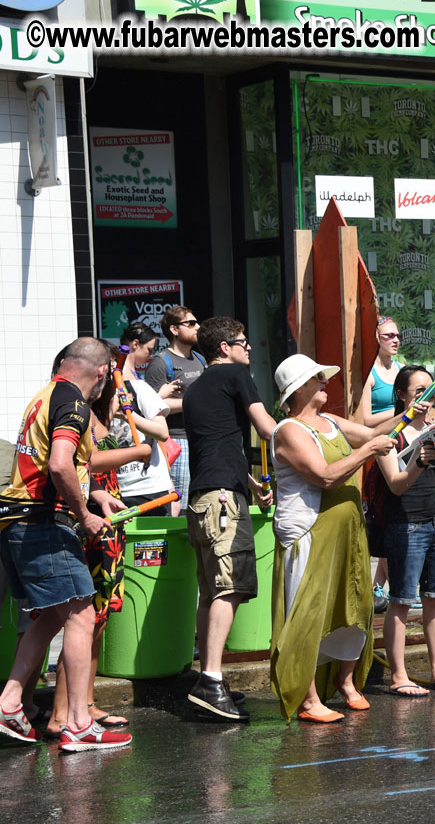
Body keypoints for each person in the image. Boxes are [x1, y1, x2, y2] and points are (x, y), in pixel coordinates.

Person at [0, 338, 132, 751]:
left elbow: (50, 464)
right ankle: (78, 723)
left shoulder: (45, 395)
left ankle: (8, 704)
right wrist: (85, 515)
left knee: (52, 617)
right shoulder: (74, 403)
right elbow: (59, 464)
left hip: (17, 522)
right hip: (43, 525)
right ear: (101, 373)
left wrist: (94, 495)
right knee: (82, 614)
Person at [270, 354, 395, 722]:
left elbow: (374, 434)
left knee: (354, 605)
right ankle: (308, 700)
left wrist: (410, 412)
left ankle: (345, 682)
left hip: (347, 529)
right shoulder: (290, 430)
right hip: (308, 530)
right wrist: (368, 451)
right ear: (298, 388)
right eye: (317, 378)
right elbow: (324, 476)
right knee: (308, 612)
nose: (325, 382)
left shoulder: (329, 421)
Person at [46, 359, 153, 738]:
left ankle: (86, 702)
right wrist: (133, 453)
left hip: (109, 520)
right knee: (83, 621)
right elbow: (87, 463)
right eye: (110, 374)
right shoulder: (78, 413)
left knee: (100, 617)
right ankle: (61, 712)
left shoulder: (101, 414)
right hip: (89, 519)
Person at [182, 317, 276, 722]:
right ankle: (212, 681)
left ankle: (208, 678)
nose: (249, 348)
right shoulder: (236, 374)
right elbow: (267, 428)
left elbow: (218, 445)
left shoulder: (197, 387)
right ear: (225, 348)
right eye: (243, 342)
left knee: (211, 591)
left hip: (204, 498)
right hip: (222, 501)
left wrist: (251, 484)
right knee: (230, 588)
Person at [377, 365, 435, 697]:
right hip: (405, 526)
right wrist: (418, 460)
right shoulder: (391, 437)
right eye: (418, 392)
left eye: (430, 392)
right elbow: (396, 486)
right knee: (400, 601)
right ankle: (398, 675)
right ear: (401, 396)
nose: (426, 400)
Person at [355, 317, 407, 613]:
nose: (395, 340)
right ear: (376, 338)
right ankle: (386, 591)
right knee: (382, 520)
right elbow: (363, 419)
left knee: (392, 518)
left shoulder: (399, 370)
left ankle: (378, 591)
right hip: (375, 450)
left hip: (397, 447)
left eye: (398, 335)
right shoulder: (370, 373)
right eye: (389, 335)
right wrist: (399, 414)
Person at [145, 306, 206, 514]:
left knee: (200, 501)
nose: (197, 327)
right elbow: (152, 407)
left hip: (200, 438)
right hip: (177, 441)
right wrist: (194, 401)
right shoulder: (161, 363)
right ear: (174, 329)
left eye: (197, 323)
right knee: (178, 504)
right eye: (190, 323)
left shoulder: (200, 359)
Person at [115, 322, 175, 513]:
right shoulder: (129, 382)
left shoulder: (137, 383)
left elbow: (160, 431)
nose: (150, 356)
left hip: (147, 482)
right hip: (124, 487)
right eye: (149, 350)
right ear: (134, 344)